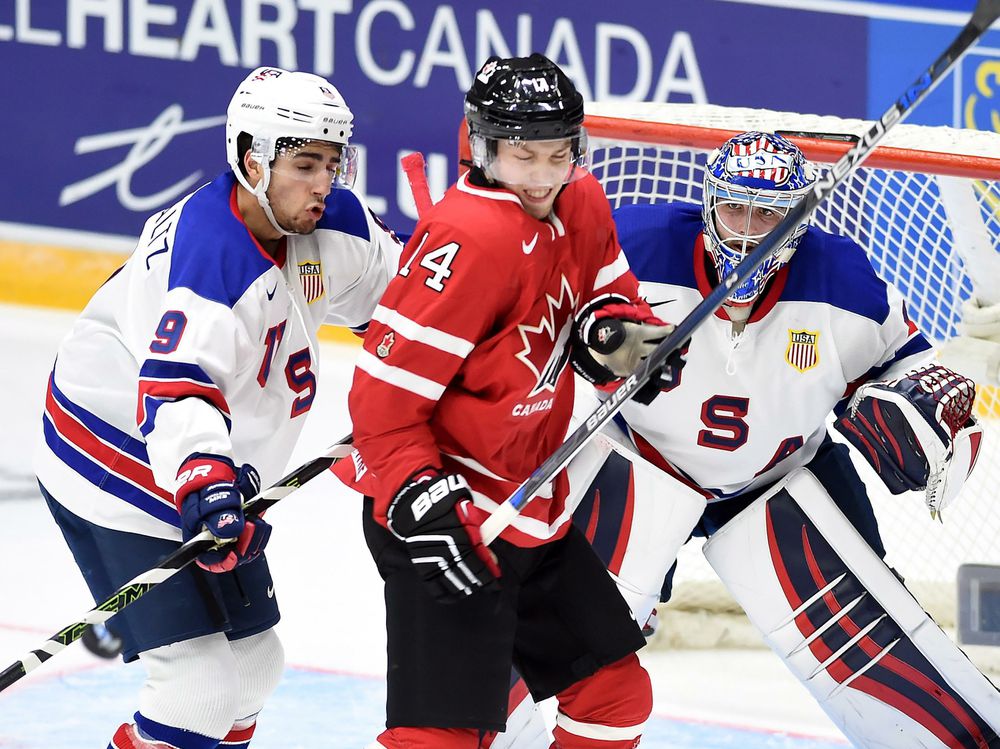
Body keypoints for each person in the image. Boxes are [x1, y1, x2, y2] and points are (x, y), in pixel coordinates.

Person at [561, 131, 993, 746]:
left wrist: (917, 406)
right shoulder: (635, 246)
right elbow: (534, 305)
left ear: (798, 219)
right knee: (568, 643)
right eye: (736, 209)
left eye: (768, 213)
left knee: (879, 644)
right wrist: (594, 340)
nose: (748, 231)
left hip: (785, 476)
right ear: (708, 205)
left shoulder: (842, 282)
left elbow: (908, 365)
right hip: (639, 463)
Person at [34, 66, 403, 749]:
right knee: (196, 690)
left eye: (332, 162)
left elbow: (408, 310)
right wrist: (208, 488)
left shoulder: (329, 227)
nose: (322, 183)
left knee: (256, 667)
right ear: (249, 159)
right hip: (118, 454)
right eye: (303, 164)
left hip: (212, 462)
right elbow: (177, 391)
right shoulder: (212, 263)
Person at [340, 54, 676, 749]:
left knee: (613, 697)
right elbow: (381, 401)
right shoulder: (469, 238)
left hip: (531, 503)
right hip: (446, 516)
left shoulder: (582, 202)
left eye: (560, 155)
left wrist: (621, 338)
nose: (544, 177)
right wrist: (418, 498)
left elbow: (615, 301)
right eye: (525, 157)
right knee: (447, 736)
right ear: (485, 147)